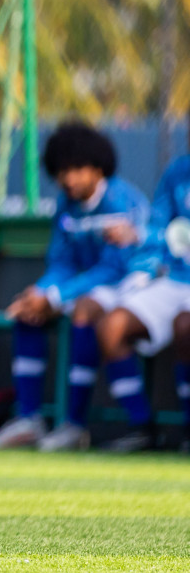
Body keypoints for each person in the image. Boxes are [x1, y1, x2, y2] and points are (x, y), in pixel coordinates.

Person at [0, 123, 147, 452]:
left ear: (98, 168)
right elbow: (60, 260)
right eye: (61, 171)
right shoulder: (65, 204)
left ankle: (74, 425)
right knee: (27, 310)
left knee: (85, 310)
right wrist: (42, 293)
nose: (68, 179)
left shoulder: (121, 200)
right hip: (81, 285)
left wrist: (58, 296)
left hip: (128, 284)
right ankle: (29, 419)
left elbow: (113, 267)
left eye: (76, 169)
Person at [93, 150, 190, 451]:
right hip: (175, 279)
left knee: (185, 326)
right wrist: (136, 234)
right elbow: (161, 227)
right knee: (112, 326)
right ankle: (142, 427)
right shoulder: (178, 170)